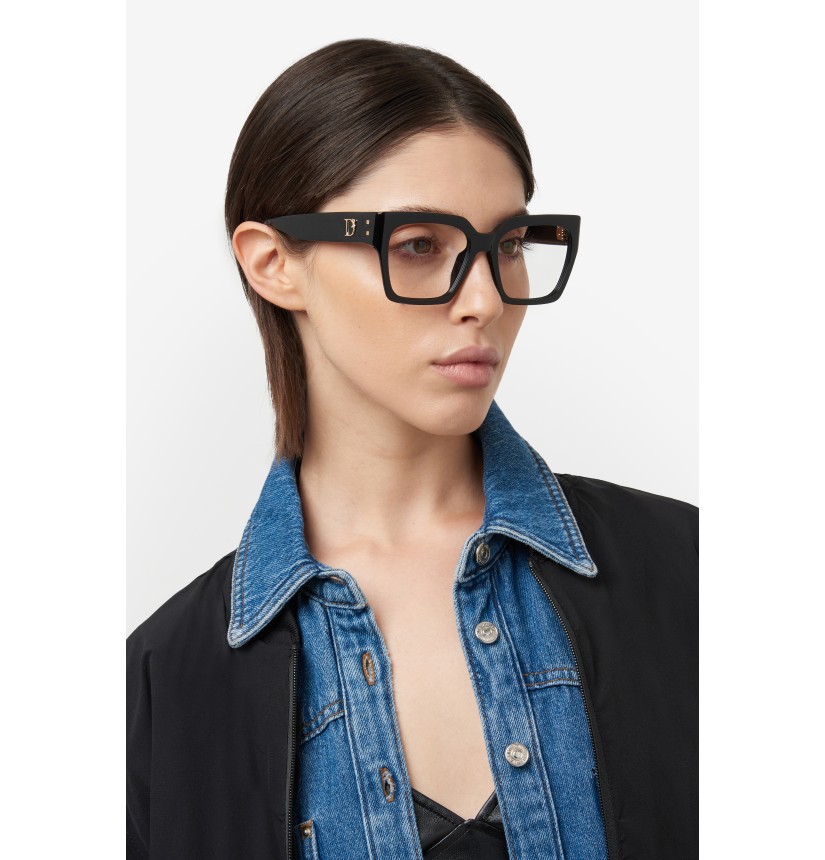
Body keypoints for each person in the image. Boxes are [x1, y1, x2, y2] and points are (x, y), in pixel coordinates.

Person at [126, 38, 697, 860]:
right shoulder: (163, 683)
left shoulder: (688, 568)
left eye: (508, 244)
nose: (484, 299)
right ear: (274, 263)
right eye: (419, 245)